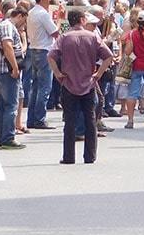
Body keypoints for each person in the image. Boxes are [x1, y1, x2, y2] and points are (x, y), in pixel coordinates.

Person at [48, 10, 113, 164]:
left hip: (69, 82)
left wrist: (57, 72)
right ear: (82, 20)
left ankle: (68, 156)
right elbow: (108, 56)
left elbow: (51, 55)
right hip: (88, 83)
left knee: (69, 121)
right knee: (90, 120)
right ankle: (90, 156)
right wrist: (99, 73)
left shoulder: (64, 37)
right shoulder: (93, 37)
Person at [0, 8, 28, 149]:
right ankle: (7, 137)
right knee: (11, 105)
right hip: (7, 71)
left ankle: (1, 137)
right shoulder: (7, 26)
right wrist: (14, 67)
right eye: (23, 20)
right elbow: (7, 46)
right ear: (19, 16)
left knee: (3, 106)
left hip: (3, 71)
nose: (23, 24)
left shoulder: (4, 26)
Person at [25, 0, 59, 131]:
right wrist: (59, 20)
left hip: (34, 49)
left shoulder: (32, 12)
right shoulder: (43, 14)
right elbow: (54, 32)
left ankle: (32, 118)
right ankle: (39, 118)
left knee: (36, 86)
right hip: (44, 50)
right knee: (44, 87)